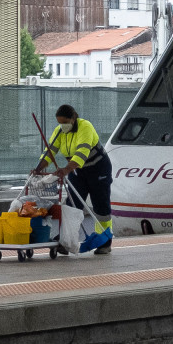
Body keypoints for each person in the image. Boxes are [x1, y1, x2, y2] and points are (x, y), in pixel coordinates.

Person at [33, 104, 114, 254]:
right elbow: (50, 151)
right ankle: (66, 240)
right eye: (59, 123)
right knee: (71, 205)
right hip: (77, 171)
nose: (62, 126)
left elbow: (81, 153)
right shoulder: (59, 132)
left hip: (98, 169)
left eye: (64, 122)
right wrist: (39, 167)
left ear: (73, 118)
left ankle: (105, 241)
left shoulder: (86, 127)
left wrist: (66, 169)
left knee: (101, 207)